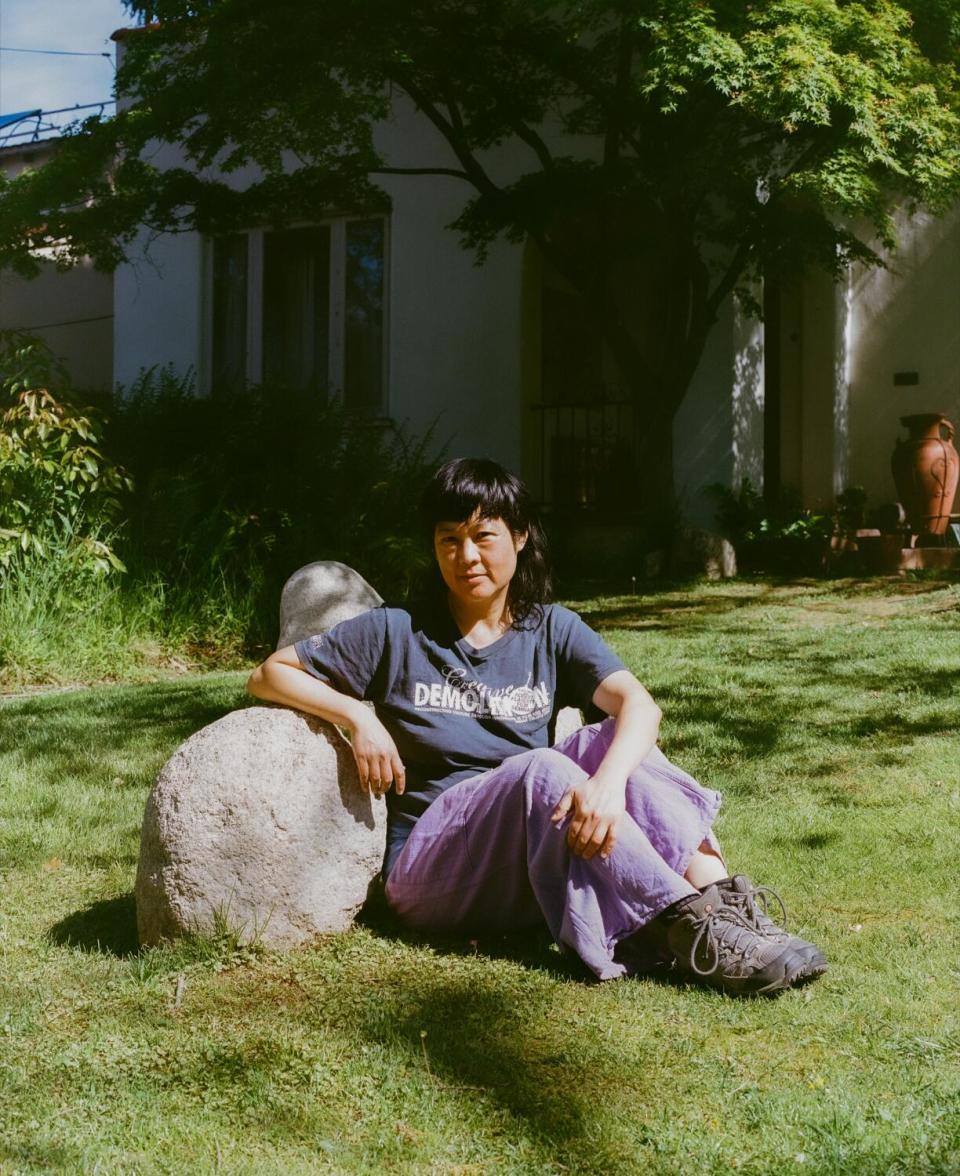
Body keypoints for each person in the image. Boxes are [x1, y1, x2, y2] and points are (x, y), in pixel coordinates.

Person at [247, 457, 827, 995]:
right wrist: (356, 715)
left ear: (519, 538)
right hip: (431, 866)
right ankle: (688, 927)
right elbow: (269, 674)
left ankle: (721, 904)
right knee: (545, 766)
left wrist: (606, 782)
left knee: (608, 742)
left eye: (483, 536)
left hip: (528, 855)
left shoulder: (550, 629)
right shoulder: (395, 629)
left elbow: (641, 706)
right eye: (449, 540)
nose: (466, 556)